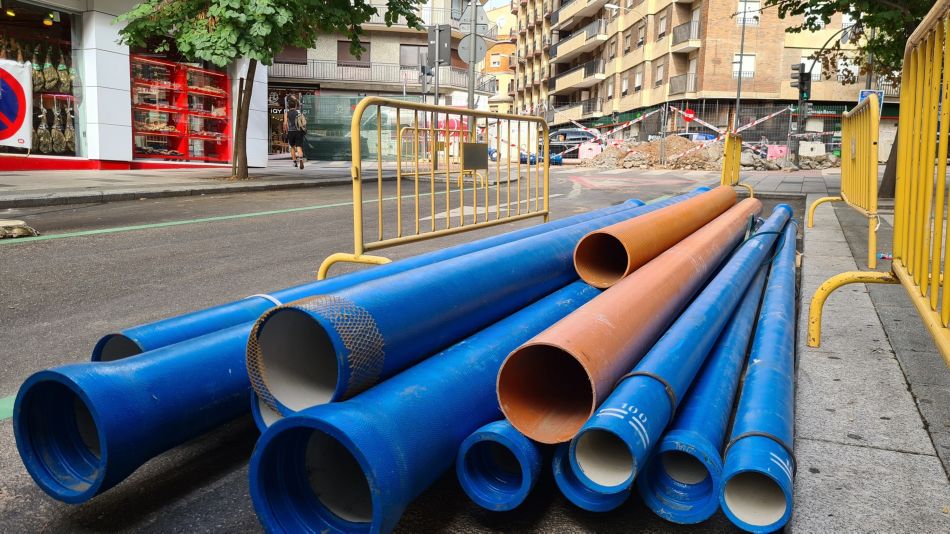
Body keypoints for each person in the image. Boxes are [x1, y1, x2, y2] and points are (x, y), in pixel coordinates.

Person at [284, 97, 306, 169]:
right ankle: (301, 159)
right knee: (299, 147)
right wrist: (296, 99)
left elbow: (285, 124)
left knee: (292, 147)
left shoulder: (286, 113)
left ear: (288, 106)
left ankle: (294, 162)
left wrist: (286, 131)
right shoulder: (298, 112)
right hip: (298, 132)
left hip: (291, 132)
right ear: (295, 106)